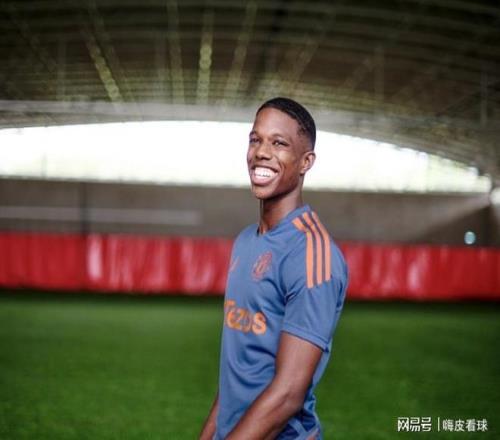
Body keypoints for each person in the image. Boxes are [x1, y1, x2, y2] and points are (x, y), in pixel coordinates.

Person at [199, 97, 348, 440]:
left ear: (306, 162)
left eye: (279, 143)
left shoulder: (311, 253)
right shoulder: (245, 241)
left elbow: (288, 394)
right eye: (256, 139)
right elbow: (236, 379)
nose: (261, 152)